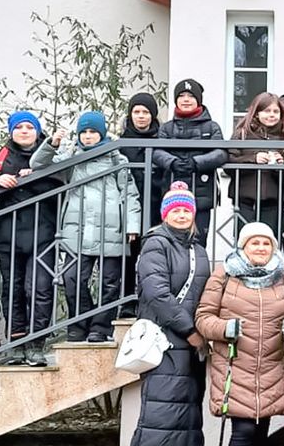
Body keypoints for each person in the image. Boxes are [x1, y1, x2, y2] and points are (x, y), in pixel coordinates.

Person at [194, 222, 284, 446]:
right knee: (242, 433)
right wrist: (223, 329)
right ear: (243, 247)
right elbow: (203, 317)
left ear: (273, 248)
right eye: (254, 243)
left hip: (269, 365)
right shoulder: (224, 275)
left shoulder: (283, 278)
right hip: (235, 366)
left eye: (265, 244)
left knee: (260, 435)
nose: (260, 248)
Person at [116, 183, 211, 446]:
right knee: (157, 421)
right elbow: (156, 293)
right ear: (165, 214)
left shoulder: (198, 249)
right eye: (176, 210)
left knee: (176, 421)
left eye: (187, 210)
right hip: (166, 343)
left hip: (189, 346)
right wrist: (190, 329)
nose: (183, 215)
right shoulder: (156, 244)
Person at [32, 111, 142, 343]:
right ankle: (79, 323)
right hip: (77, 229)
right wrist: (51, 144)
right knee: (72, 278)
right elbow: (38, 164)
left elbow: (130, 193)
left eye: (93, 132)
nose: (88, 136)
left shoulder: (116, 159)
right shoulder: (72, 157)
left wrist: (132, 225)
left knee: (109, 283)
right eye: (84, 132)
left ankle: (100, 328)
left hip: (111, 229)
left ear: (101, 133)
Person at [0, 111, 60, 367]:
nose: (23, 131)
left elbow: (66, 179)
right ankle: (18, 344)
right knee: (12, 290)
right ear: (11, 131)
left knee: (40, 288)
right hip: (9, 234)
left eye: (29, 127)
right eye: (18, 127)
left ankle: (36, 344)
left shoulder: (51, 153)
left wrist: (37, 176)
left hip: (44, 232)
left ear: (37, 131)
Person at [152, 79, 227, 246]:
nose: (186, 99)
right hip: (172, 193)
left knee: (198, 242)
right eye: (182, 95)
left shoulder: (211, 127)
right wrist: (171, 162)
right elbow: (156, 152)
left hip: (201, 194)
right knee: (171, 242)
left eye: (191, 96)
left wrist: (197, 162)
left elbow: (221, 153)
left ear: (198, 100)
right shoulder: (166, 128)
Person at [229, 91, 284, 265]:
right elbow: (229, 160)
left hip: (273, 202)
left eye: (275, 112)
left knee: (270, 246)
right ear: (257, 112)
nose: (271, 115)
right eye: (267, 111)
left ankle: (269, 286)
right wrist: (253, 159)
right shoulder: (242, 133)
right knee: (243, 245)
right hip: (244, 200)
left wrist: (280, 166)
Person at [119, 92, 163, 317]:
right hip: (129, 209)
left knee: (153, 257)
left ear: (153, 116)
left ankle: (151, 300)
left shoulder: (162, 142)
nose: (141, 116)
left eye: (145, 112)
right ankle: (127, 302)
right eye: (136, 112)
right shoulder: (120, 144)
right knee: (128, 256)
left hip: (156, 207)